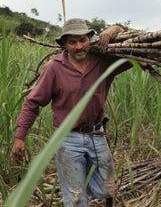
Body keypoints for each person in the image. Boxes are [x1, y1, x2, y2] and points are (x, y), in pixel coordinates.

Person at [12, 18, 131, 206]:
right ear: (64, 45)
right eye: (72, 42)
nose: (78, 46)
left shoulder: (102, 61)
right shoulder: (54, 68)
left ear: (90, 39)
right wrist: (20, 136)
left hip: (97, 134)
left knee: (109, 188)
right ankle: (74, 184)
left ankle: (78, 177)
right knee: (75, 198)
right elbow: (32, 102)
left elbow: (133, 54)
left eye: (82, 40)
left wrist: (115, 29)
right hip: (68, 139)